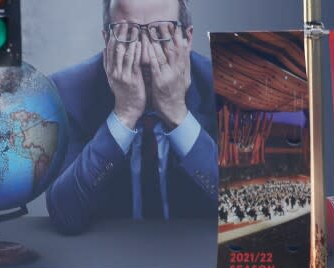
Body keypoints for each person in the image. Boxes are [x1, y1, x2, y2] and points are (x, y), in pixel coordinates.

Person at [46, 0, 218, 234]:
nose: (146, 57)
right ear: (107, 40)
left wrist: (178, 114)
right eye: (128, 35)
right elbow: (65, 214)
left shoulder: (226, 89)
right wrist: (124, 115)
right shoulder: (67, 92)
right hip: (108, 260)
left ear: (187, 39)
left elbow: (255, 209)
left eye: (162, 33)